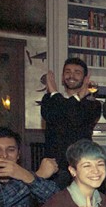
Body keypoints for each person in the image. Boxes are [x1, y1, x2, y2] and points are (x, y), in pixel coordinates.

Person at [41, 57, 101, 187]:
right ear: (62, 77)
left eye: (77, 72)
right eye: (67, 72)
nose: (71, 76)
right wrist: (73, 96)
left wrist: (55, 93)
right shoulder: (48, 99)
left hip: (80, 165)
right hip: (54, 166)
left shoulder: (93, 104)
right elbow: (52, 117)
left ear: (85, 78)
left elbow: (73, 119)